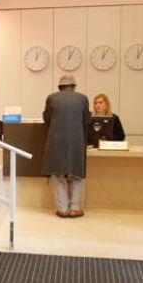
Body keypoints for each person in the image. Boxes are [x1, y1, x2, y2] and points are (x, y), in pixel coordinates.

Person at [43, 75, 91, 218]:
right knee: (76, 174)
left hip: (56, 140)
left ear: (60, 87)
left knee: (57, 174)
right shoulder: (83, 98)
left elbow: (47, 119)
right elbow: (87, 121)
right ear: (74, 86)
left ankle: (62, 209)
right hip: (77, 140)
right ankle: (75, 208)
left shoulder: (52, 98)